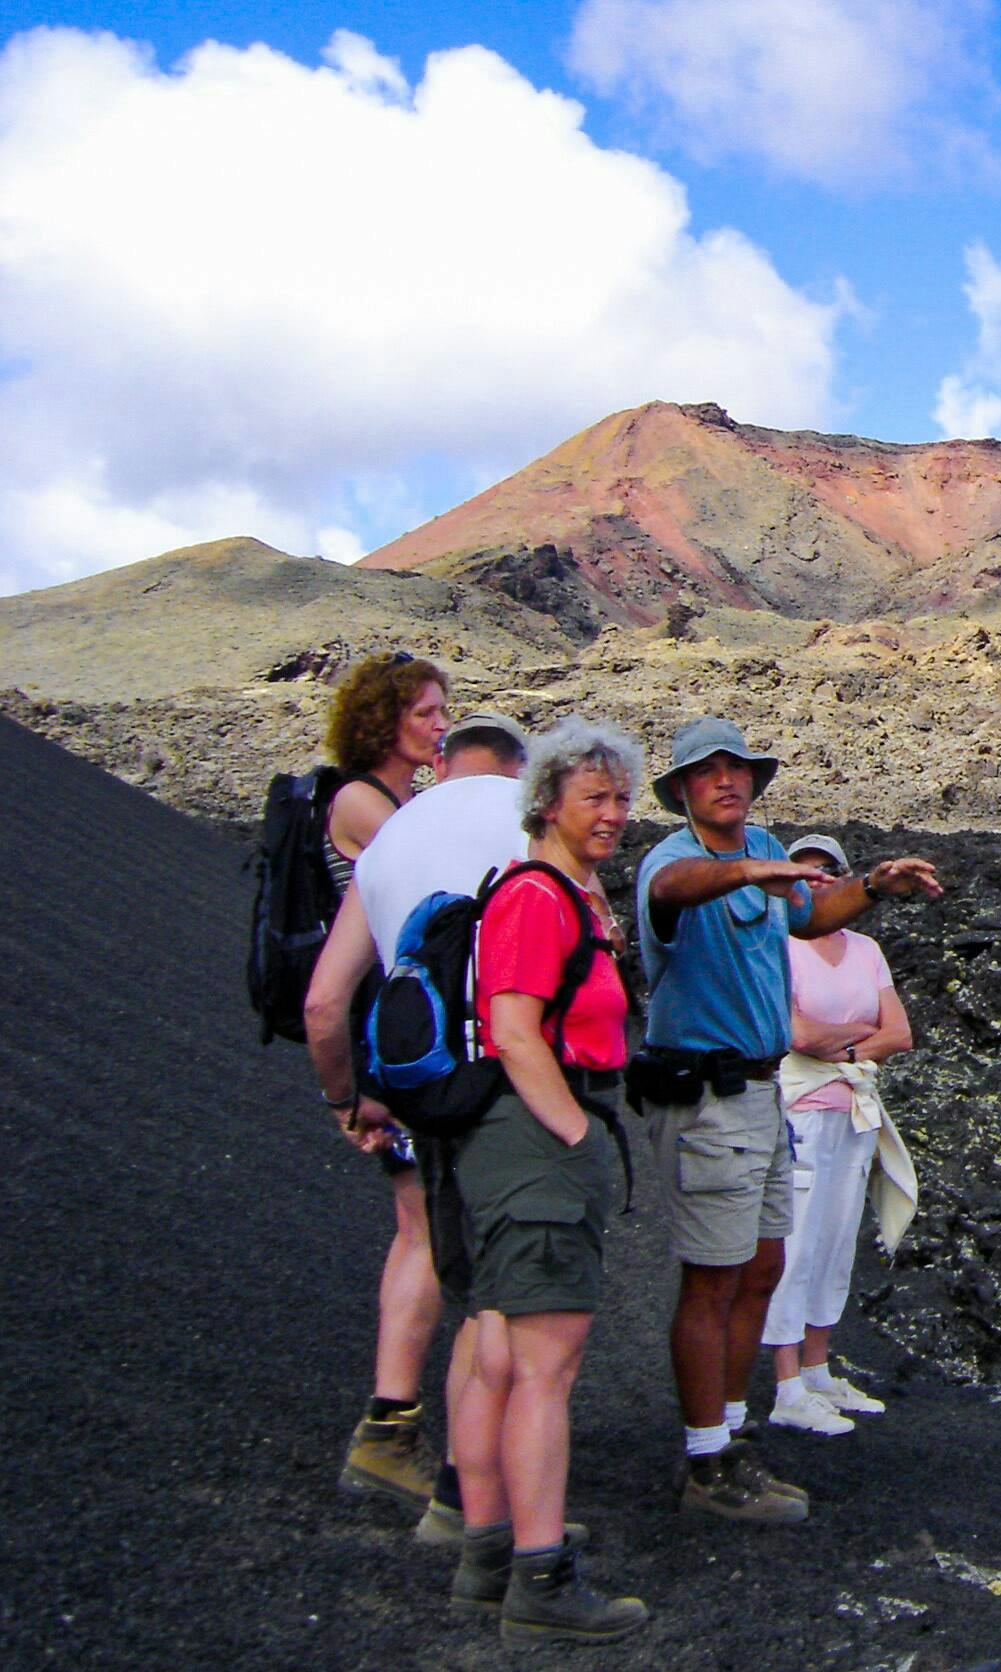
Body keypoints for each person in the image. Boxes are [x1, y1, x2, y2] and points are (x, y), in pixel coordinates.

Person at [632, 718, 940, 1522]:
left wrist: (873, 887)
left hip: (764, 1092)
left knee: (762, 1267)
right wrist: (745, 873)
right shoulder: (670, 862)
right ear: (682, 790)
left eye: (739, 768)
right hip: (706, 1093)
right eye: (708, 771)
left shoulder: (762, 844)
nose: (727, 780)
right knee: (713, 1276)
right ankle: (706, 1461)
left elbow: (806, 915)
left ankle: (732, 1438)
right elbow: (673, 894)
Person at [305, 711, 527, 1541]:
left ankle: (396, 1433)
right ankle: (472, 1500)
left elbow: (325, 1002)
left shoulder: (394, 838)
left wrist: (344, 1101)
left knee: (433, 1249)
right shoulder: (528, 825)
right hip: (504, 1089)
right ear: (521, 765)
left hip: (411, 1085)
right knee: (499, 1297)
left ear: (442, 762)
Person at [449, 717, 649, 1642]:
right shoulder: (537, 897)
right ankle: (541, 1579)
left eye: (620, 798)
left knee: (500, 1353)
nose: (613, 815)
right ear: (548, 804)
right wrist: (572, 1132)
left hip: (518, 1142)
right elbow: (513, 1026)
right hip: (535, 1139)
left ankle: (489, 1554)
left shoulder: (571, 890)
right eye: (594, 799)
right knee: (543, 1368)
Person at [310, 652, 454, 1506]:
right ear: (385, 721)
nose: (440, 726)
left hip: (388, 1038)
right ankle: (388, 1427)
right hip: (384, 1047)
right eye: (427, 713)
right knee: (423, 1229)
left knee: (425, 1224)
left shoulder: (393, 803)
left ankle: (398, 1422)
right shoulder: (367, 805)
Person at [762, 835, 920, 1435]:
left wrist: (842, 1042)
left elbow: (899, 1032)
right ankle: (785, 1384)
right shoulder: (776, 946)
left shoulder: (866, 949)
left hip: (854, 1108)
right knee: (795, 1241)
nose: (815, 881)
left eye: (827, 871)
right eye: (802, 873)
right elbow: (796, 1034)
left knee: (835, 1240)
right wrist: (857, 1037)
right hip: (800, 1107)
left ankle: (819, 1365)